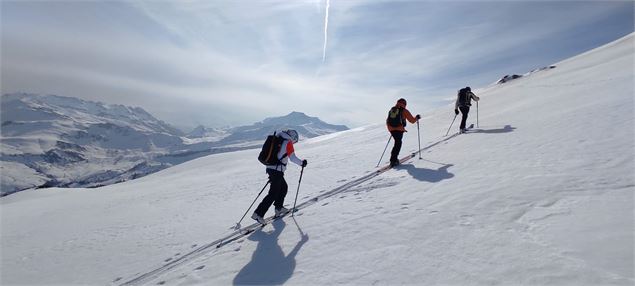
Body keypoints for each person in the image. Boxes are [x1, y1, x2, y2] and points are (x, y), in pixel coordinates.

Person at [252, 129, 307, 224]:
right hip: (277, 170)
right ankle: (258, 214)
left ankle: (279, 207)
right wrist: (302, 163)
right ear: (293, 138)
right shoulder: (287, 142)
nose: (294, 142)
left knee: (283, 188)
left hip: (271, 168)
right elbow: (292, 157)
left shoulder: (279, 139)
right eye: (295, 140)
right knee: (273, 193)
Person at [386, 98, 421, 167]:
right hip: (399, 129)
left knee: (397, 142)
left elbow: (387, 120)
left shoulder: (392, 110)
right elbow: (412, 120)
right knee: (398, 143)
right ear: (404, 104)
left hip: (391, 129)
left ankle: (393, 159)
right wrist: (417, 117)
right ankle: (393, 160)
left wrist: (391, 128)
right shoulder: (404, 111)